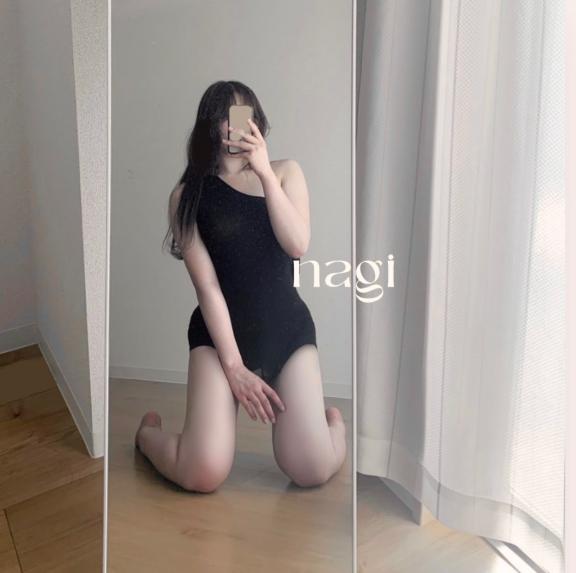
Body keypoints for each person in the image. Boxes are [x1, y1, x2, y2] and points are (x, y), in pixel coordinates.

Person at [135, 80, 346, 492]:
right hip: (219, 341)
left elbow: (298, 245)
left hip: (286, 330)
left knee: (312, 469)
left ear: (257, 121)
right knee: (202, 472)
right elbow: (208, 288)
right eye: (227, 116)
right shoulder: (186, 197)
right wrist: (233, 367)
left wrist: (263, 172)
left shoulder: (285, 172)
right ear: (210, 124)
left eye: (245, 115)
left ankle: (334, 427)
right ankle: (147, 436)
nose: (237, 127)